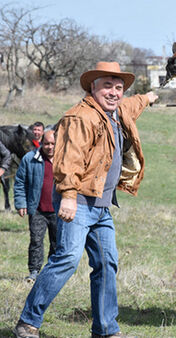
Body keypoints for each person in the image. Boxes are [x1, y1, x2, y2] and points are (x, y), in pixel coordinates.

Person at [13, 61, 158, 338]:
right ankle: (27, 323)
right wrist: (67, 196)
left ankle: (105, 330)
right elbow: (69, 159)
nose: (114, 92)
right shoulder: (80, 117)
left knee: (107, 262)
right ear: (93, 87)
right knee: (67, 257)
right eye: (107, 86)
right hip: (78, 202)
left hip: (101, 206)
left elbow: (132, 105)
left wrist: (149, 98)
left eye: (119, 88)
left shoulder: (115, 112)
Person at [14, 130, 58, 283]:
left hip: (59, 211)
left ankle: (51, 273)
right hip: (37, 209)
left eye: (53, 143)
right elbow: (20, 182)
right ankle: (33, 272)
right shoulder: (30, 159)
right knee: (36, 241)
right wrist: (21, 203)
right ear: (41, 143)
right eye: (47, 143)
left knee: (57, 243)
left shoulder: (65, 159)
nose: (50, 147)